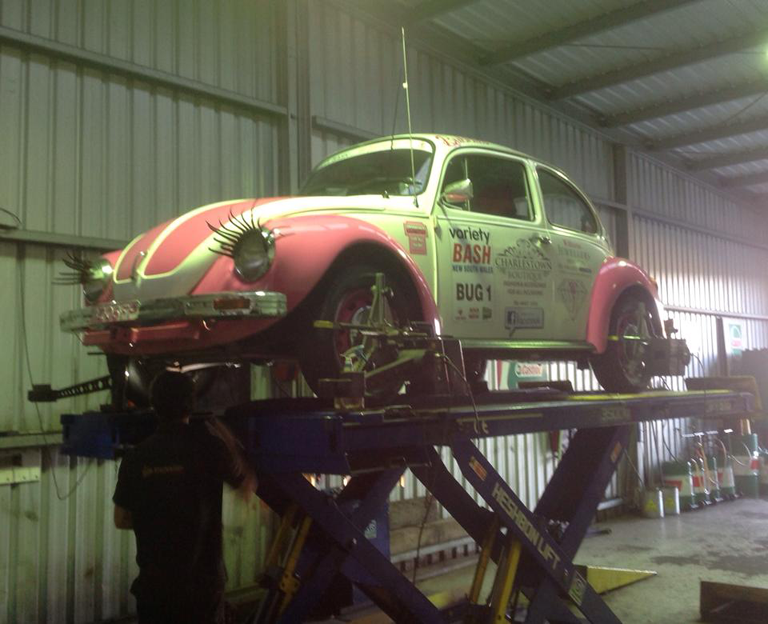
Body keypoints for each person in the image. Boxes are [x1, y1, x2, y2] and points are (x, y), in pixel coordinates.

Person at [113, 371, 256, 624]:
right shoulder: (210, 448)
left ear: (154, 405)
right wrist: (225, 434)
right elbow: (247, 486)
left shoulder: (136, 457)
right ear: (191, 405)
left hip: (155, 590)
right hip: (202, 590)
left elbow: (121, 519)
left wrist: (158, 518)